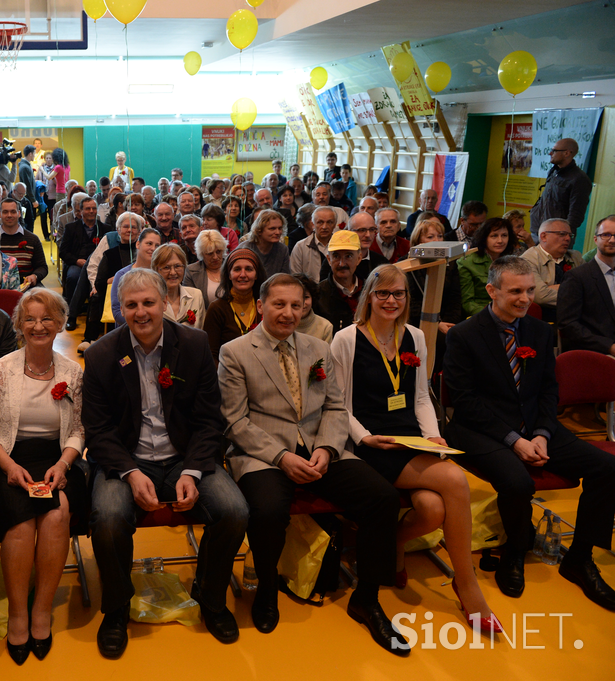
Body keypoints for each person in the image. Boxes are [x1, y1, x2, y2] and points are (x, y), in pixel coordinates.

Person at [218, 273, 409, 655]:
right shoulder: (235, 351)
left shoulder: (316, 348)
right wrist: (282, 456)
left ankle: (366, 598)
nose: (289, 313)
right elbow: (235, 421)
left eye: (296, 305)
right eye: (279, 304)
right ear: (260, 306)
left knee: (383, 498)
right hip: (265, 455)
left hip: (320, 450)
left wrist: (327, 449)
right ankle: (268, 587)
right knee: (269, 509)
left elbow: (336, 407)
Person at [83, 268, 249, 657]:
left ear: (164, 303)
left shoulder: (193, 344)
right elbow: (99, 430)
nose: (141, 313)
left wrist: (193, 469)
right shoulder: (102, 354)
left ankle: (209, 595)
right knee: (107, 519)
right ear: (120, 309)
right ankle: (117, 606)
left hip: (183, 456)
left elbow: (210, 420)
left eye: (148, 303)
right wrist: (130, 471)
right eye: (131, 305)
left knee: (234, 510)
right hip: (127, 459)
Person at [330, 265, 503, 634]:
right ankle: (467, 584)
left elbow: (421, 396)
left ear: (408, 299)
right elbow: (338, 406)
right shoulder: (345, 339)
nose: (391, 301)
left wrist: (434, 435)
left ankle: (392, 543)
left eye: (399, 294)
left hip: (411, 437)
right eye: (383, 294)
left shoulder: (415, 337)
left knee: (432, 508)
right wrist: (364, 438)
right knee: (455, 479)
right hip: (371, 441)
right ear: (369, 297)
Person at [445, 256, 615, 611]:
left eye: (530, 290)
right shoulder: (464, 335)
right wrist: (515, 440)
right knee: (518, 482)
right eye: (516, 291)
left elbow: (549, 389)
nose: (525, 299)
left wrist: (540, 433)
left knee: (607, 468)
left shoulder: (539, 331)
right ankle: (515, 551)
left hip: (534, 425)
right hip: (481, 429)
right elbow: (465, 402)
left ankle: (579, 558)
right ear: (492, 291)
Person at [0, 288, 87, 665]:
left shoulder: (72, 371)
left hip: (56, 459)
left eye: (47, 319)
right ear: (19, 325)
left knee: (56, 515)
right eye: (30, 319)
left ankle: (42, 611)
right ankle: (19, 614)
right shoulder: (1, 369)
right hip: (5, 459)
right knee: (22, 523)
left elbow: (78, 430)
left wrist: (65, 464)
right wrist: (7, 465)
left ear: (59, 324)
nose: (38, 326)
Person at [406, 216, 463, 364]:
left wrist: (449, 323)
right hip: (416, 322)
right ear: (418, 241)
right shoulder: (406, 266)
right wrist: (437, 324)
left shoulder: (450, 264)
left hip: (445, 321)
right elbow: (411, 305)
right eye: (430, 237)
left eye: (440, 236)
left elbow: (455, 298)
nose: (437, 241)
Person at [558, 215, 615, 355]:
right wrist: (610, 347)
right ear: (596, 239)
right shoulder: (577, 277)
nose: (612, 240)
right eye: (606, 235)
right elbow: (568, 325)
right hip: (594, 353)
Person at [202, 249, 266, 364]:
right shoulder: (217, 308)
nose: (243, 275)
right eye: (237, 269)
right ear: (229, 275)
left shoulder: (264, 306)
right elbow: (211, 355)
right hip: (228, 375)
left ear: (256, 275)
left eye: (248, 269)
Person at [530, 138, 593, 240]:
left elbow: (576, 215)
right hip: (538, 230)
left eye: (554, 150)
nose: (550, 153)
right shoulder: (553, 171)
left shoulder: (579, 179)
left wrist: (563, 235)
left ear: (567, 153)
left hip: (556, 236)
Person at [520, 218, 582, 322]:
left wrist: (553, 288)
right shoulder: (528, 259)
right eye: (562, 234)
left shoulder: (575, 257)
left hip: (575, 318)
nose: (567, 239)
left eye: (569, 235)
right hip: (542, 320)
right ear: (544, 236)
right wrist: (578, 294)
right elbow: (541, 296)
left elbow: (592, 288)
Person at [458, 217, 516, 318]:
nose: (500, 241)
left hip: (509, 311)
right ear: (484, 238)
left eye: (504, 235)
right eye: (494, 236)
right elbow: (468, 303)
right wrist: (496, 313)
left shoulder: (513, 261)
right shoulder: (466, 262)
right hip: (482, 314)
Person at [109, 227, 162, 326]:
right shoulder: (121, 275)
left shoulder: (161, 275)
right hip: (128, 330)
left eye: (157, 245)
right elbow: (117, 311)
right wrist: (141, 323)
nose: (153, 248)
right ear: (138, 244)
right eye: (149, 243)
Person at [315, 229, 364, 335]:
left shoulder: (371, 291)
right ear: (328, 259)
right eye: (336, 256)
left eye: (349, 256)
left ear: (359, 258)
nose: (342, 263)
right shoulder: (317, 294)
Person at [152, 242, 203, 329]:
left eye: (177, 266)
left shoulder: (196, 295)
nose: (173, 272)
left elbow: (201, 333)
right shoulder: (150, 300)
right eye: (166, 267)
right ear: (156, 270)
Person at [183, 229, 227, 311]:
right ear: (201, 253)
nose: (215, 257)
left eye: (218, 252)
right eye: (210, 253)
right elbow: (189, 304)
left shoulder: (232, 266)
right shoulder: (191, 271)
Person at [289, 206, 336, 283]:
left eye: (329, 222)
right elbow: (295, 278)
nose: (324, 227)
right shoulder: (301, 247)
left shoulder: (340, 246)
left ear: (334, 225)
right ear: (313, 224)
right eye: (320, 222)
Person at [240, 209, 290, 278]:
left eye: (280, 228)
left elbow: (285, 278)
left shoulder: (283, 249)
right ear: (259, 230)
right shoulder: (245, 249)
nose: (278, 232)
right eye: (272, 229)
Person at [293, 273, 333, 343]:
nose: (302, 303)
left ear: (312, 298)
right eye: (296, 297)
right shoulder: (281, 324)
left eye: (306, 297)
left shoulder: (325, 327)